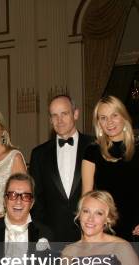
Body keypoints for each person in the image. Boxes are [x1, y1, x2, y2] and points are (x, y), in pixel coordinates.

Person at [82, 95, 139, 247]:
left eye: (114, 115)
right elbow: (86, 198)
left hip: (137, 231)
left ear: (123, 117)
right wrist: (86, 239)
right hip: (102, 231)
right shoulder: (91, 152)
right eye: (103, 118)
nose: (109, 122)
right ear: (98, 123)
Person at [29, 95, 95, 242]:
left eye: (64, 114)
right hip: (52, 237)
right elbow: (35, 198)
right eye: (54, 115)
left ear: (75, 114)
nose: (59, 120)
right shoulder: (39, 154)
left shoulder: (95, 147)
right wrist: (43, 233)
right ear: (50, 120)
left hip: (90, 234)